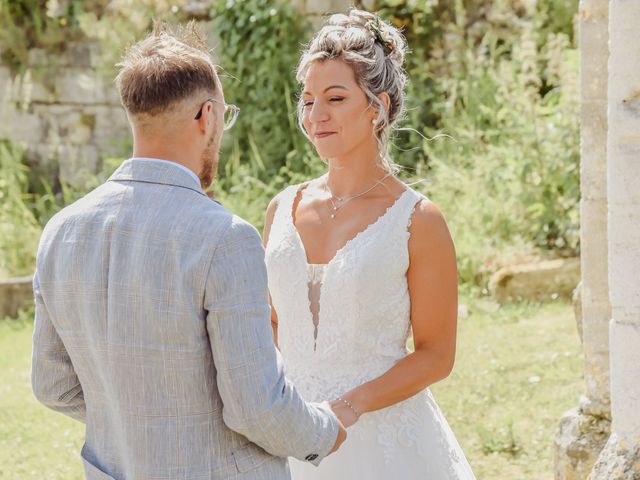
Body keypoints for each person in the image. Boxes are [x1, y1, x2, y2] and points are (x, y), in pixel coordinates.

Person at [31, 22, 345, 480]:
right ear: (207, 117)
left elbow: (53, 386)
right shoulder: (225, 238)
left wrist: (141, 425)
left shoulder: (60, 231)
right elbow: (256, 408)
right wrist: (326, 430)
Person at [263, 9, 476, 479]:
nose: (316, 115)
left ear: (376, 107)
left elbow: (436, 354)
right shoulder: (281, 209)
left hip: (385, 445)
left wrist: (348, 408)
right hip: (290, 438)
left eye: (335, 98)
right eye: (308, 100)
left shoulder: (418, 221)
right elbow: (272, 322)